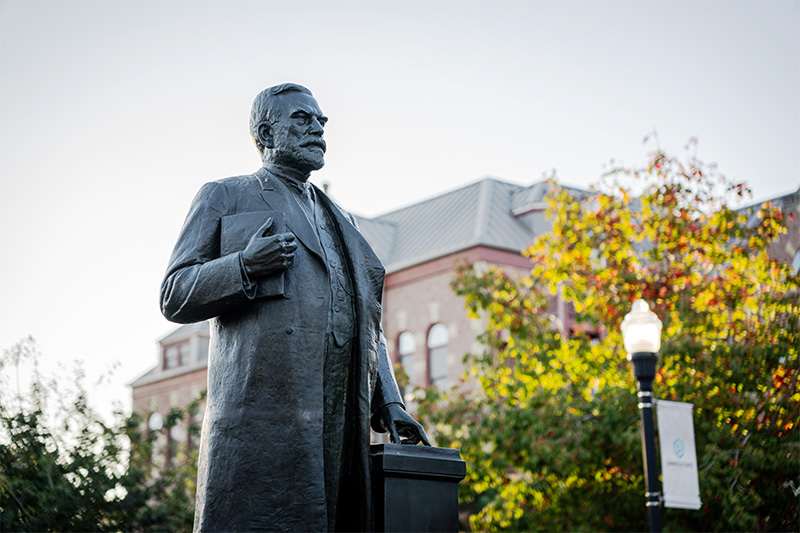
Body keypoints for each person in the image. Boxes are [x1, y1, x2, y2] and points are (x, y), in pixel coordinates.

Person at [160, 83, 429, 532]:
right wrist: (244, 265)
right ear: (266, 133)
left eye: (321, 121)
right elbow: (175, 293)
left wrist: (390, 401)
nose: (319, 129)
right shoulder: (224, 195)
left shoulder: (343, 219)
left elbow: (366, 321)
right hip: (263, 421)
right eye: (302, 119)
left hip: (340, 424)